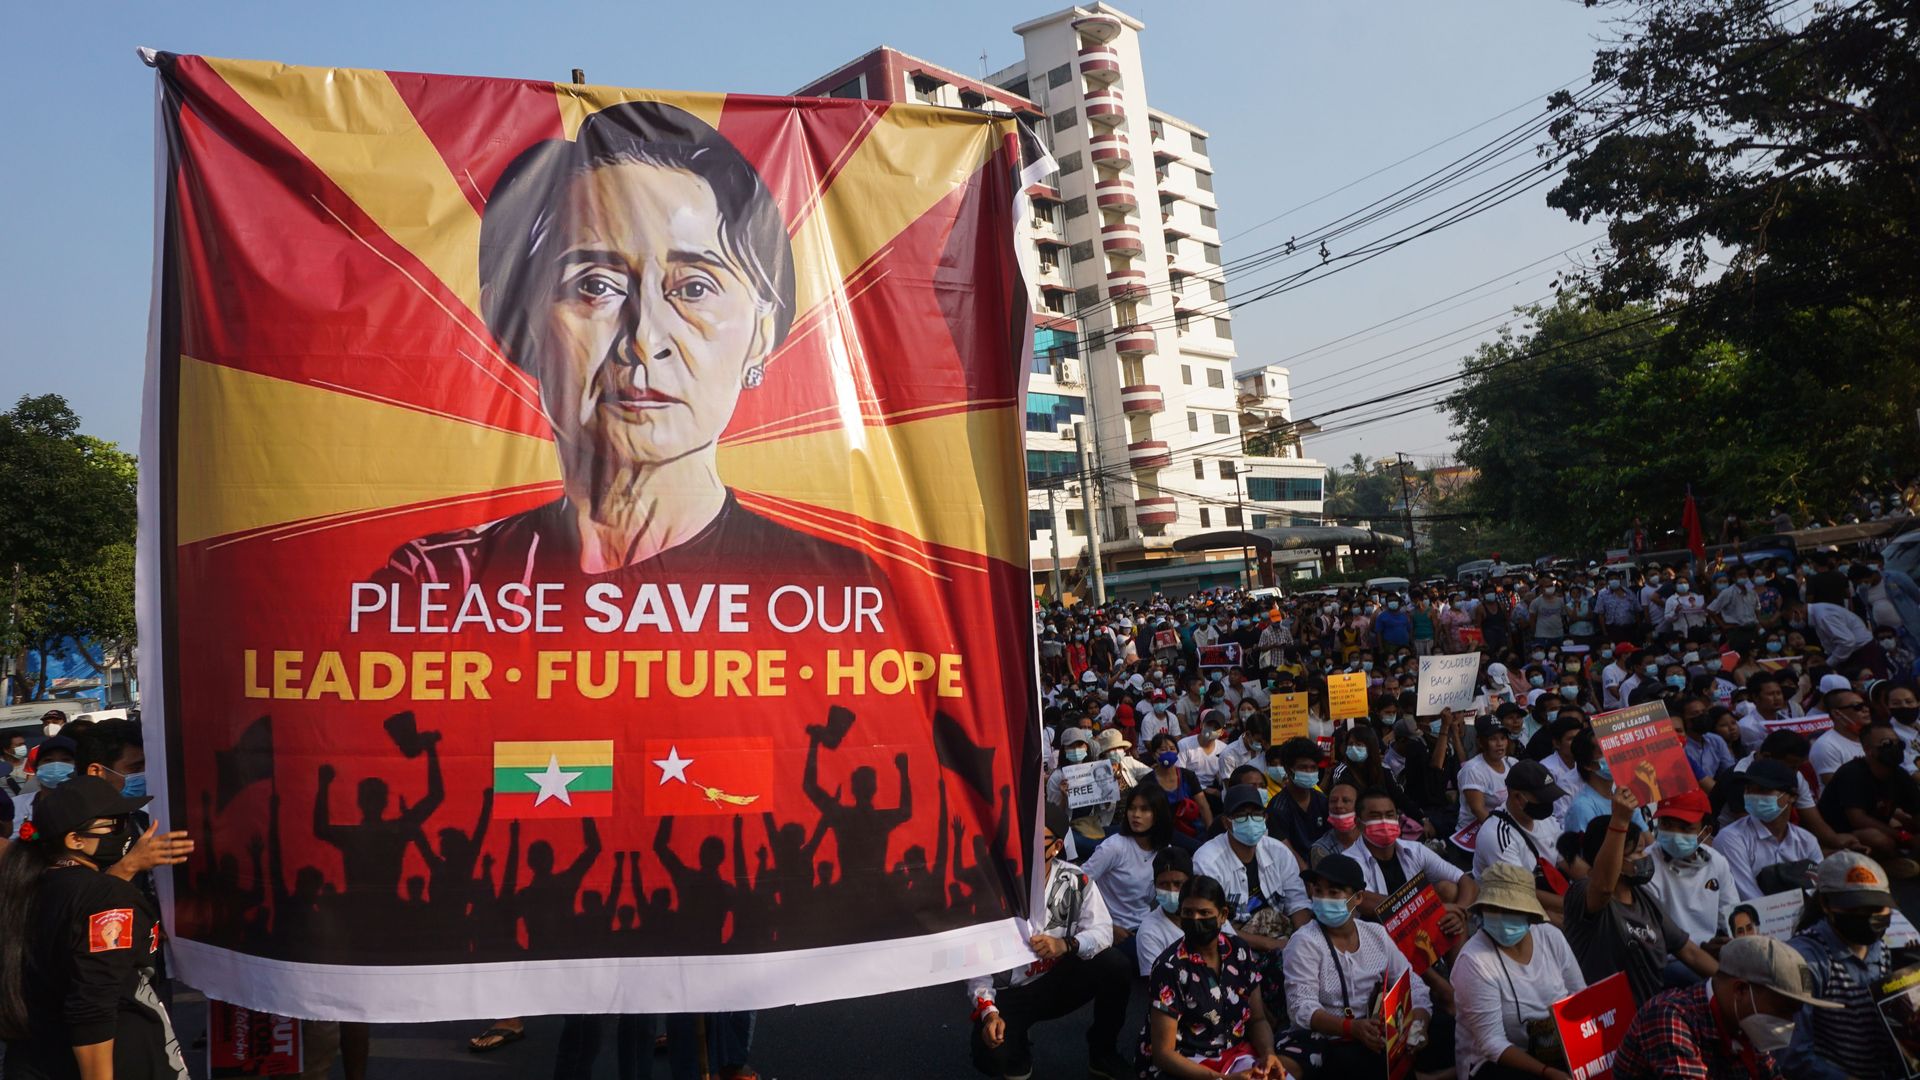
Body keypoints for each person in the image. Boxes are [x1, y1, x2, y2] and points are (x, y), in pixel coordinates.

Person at [376, 99, 883, 588]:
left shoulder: (832, 593)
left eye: (694, 288)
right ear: (513, 322)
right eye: (595, 286)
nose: (644, 340)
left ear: (761, 333)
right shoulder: (439, 588)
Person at [0, 776, 191, 1078]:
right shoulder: (104, 896)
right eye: (113, 824)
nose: (126, 831)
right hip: (109, 1061)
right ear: (75, 840)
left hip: (35, 1058)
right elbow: (93, 1006)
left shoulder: (25, 886)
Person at [967, 804, 1132, 1080]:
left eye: (1034, 839)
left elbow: (1103, 931)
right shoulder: (991, 888)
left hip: (1058, 979)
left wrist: (1067, 945)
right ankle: (1017, 1048)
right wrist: (988, 1013)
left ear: (1055, 846)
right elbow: (976, 966)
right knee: (992, 1054)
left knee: (1115, 965)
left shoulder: (1075, 880)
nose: (1022, 846)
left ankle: (1103, 1053)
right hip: (1012, 992)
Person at [1277, 854, 1430, 1076]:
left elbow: (1412, 982)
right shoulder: (1305, 942)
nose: (1323, 899)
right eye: (1318, 891)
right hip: (1331, 1038)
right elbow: (1301, 1007)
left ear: (1357, 898)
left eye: (1334, 892)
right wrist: (1351, 1028)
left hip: (1378, 1031)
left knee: (1443, 1030)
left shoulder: (1375, 934)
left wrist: (1418, 1023)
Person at [1613, 934, 1840, 1080]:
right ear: (1741, 990)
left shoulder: (1744, 1026)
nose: (1789, 1019)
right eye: (1784, 1007)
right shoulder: (1670, 1017)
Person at [1562, 791, 1717, 1004]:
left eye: (1643, 851)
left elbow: (1689, 952)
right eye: (1635, 853)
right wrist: (1620, 820)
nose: (1644, 858)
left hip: (1649, 1011)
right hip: (1608, 1016)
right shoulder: (1584, 894)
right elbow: (1605, 886)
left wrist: (1728, 982)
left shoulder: (1644, 898)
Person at [1137, 874, 1291, 1079]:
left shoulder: (1239, 951)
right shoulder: (1169, 968)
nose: (1196, 919)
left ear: (1223, 915)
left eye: (1204, 913)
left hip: (1233, 1055)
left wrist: (1268, 1054)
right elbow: (1163, 1054)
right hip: (1186, 1064)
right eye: (1188, 912)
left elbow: (1257, 1019)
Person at [1453, 863, 1587, 1080]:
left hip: (1558, 1049)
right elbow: (1492, 1043)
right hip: (1498, 1064)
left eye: (1510, 910)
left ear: (1528, 913)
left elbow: (1579, 995)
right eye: (1493, 909)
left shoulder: (1550, 937)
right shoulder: (1474, 962)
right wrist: (1547, 1072)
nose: (1500, 916)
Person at [1782, 852, 1901, 1079]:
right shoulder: (1803, 961)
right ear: (1826, 904)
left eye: (1877, 910)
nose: (1868, 918)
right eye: (1856, 909)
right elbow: (1794, 1057)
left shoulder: (1881, 948)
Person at [1195, 786, 1308, 957]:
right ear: (1226, 822)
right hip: (1231, 944)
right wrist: (1270, 944)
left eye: (1256, 814)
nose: (1250, 821)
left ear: (1265, 818)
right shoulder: (1207, 861)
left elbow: (1298, 901)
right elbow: (1213, 923)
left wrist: (1303, 941)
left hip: (1280, 934)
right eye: (1241, 815)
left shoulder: (1279, 852)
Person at [1642, 790, 1739, 977]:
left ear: (1706, 831)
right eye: (1667, 825)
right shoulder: (1647, 867)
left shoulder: (1717, 862)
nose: (1675, 834)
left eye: (1685, 828)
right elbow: (1653, 939)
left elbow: (1731, 916)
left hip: (1709, 954)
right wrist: (1702, 950)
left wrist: (1728, 944)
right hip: (1669, 961)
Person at [1345, 787, 1475, 919]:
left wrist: (1461, 914)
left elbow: (1465, 880)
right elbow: (1361, 901)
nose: (1384, 821)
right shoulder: (1348, 860)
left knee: (1449, 889)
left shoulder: (1415, 850)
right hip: (1376, 932)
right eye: (1375, 816)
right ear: (1358, 823)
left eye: (1389, 815)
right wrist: (1427, 906)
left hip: (1418, 927)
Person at [1084, 784, 1173, 967]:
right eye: (1132, 808)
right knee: (1163, 965)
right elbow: (1076, 886)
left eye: (1144, 809)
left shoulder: (1164, 851)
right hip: (1117, 931)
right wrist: (1106, 927)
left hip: (1147, 924)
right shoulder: (1114, 847)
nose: (1136, 815)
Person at [1815, 720, 1920, 876]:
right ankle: (1883, 866)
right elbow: (1858, 819)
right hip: (1843, 835)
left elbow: (1916, 811)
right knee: (1878, 839)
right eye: (1887, 744)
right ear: (1868, 750)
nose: (1895, 748)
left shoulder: (1899, 774)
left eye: (1899, 744)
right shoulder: (1852, 774)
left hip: (1884, 828)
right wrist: (1904, 837)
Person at [1711, 758, 1822, 899]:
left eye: (1764, 790)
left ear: (1792, 796)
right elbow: (1749, 898)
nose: (1754, 796)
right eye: (1749, 789)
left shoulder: (1807, 841)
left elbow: (1818, 892)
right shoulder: (1730, 839)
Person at [1472, 760, 1567, 919]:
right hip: (1508, 913)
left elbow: (1569, 861)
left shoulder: (1547, 819)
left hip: (1545, 897)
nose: (1548, 804)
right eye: (1542, 798)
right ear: (1518, 797)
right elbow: (1522, 893)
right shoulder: (1496, 835)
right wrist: (1576, 906)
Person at [1264, 738, 1329, 861]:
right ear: (1289, 770)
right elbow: (1286, 851)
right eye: (1303, 768)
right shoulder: (1277, 808)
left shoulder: (1322, 800)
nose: (1309, 772)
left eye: (1313, 767)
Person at [1458, 718, 1518, 826]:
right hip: (1477, 829)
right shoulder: (1473, 770)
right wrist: (1506, 831)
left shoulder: (1512, 763)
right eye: (1493, 739)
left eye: (1503, 738)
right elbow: (1478, 810)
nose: (1500, 744)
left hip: (1507, 823)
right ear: (1481, 742)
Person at [1306, 778, 1362, 868]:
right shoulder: (1321, 850)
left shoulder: (1372, 838)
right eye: (1333, 801)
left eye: (1346, 800)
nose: (1338, 805)